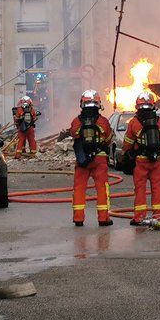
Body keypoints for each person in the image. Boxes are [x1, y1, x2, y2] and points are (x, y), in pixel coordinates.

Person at [122, 91, 160, 226]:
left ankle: (139, 217)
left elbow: (127, 143)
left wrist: (125, 156)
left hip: (140, 161)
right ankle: (159, 217)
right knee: (157, 189)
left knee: (140, 189)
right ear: (153, 106)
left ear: (137, 107)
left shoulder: (134, 122)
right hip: (156, 161)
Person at [69, 90, 114, 227]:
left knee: (79, 188)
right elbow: (109, 138)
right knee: (101, 188)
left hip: (82, 160)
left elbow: (74, 134)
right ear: (98, 104)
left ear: (82, 104)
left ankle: (78, 218)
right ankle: (103, 218)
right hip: (99, 159)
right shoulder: (103, 121)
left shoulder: (76, 121)